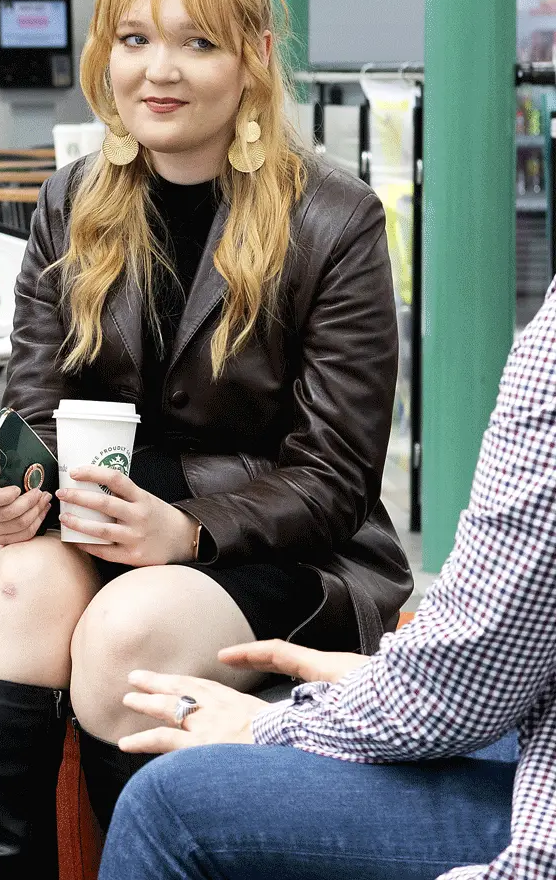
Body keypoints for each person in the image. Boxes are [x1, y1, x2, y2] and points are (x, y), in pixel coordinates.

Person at [0, 0, 411, 879]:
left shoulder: (334, 220)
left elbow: (334, 478)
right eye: (134, 39)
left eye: (196, 42)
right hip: (100, 517)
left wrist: (190, 531)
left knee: (127, 634)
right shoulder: (75, 200)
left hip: (283, 549)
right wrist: (15, 486)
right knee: (12, 578)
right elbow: (36, 411)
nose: (158, 70)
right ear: (104, 54)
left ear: (252, 58)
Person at [94, 284, 556, 878]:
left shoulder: (339, 220)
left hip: (292, 556)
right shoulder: (68, 212)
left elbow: (474, 666)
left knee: (167, 804)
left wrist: (276, 725)